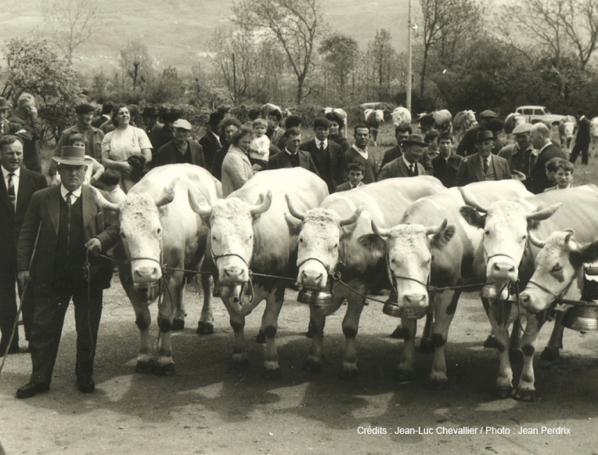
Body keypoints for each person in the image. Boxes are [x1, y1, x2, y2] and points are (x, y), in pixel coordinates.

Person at [15, 146, 119, 398]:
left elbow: (115, 227)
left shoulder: (98, 196)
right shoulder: (42, 197)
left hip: (88, 275)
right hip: (51, 275)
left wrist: (101, 240)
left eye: (79, 169)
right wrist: (24, 267)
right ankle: (39, 379)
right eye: (69, 168)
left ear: (85, 172)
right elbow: (27, 234)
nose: (74, 174)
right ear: (59, 170)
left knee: (87, 329)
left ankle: (85, 375)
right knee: (43, 329)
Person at [0, 136, 46, 356]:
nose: (15, 157)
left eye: (19, 153)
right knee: (4, 295)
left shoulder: (37, 180)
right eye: (10, 153)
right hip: (1, 249)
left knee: (29, 292)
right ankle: (9, 340)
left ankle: (33, 338)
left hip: (28, 248)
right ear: (1, 154)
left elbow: (43, 218)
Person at [101, 104, 153, 193]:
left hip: (135, 175)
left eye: (126, 112)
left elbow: (148, 156)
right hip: (116, 179)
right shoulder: (108, 136)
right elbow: (105, 161)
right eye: (121, 113)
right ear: (115, 117)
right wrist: (121, 165)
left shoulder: (139, 133)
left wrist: (134, 166)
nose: (124, 115)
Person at [300, 117, 343, 193]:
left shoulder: (337, 148)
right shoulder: (305, 147)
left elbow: (340, 170)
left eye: (326, 129)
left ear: (329, 130)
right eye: (320, 129)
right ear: (314, 130)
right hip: (312, 187)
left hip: (332, 188)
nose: (323, 132)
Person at [526, 122, 566, 194]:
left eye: (531, 137)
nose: (529, 140)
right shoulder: (556, 150)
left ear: (540, 138)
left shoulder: (546, 156)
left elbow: (540, 183)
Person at [9, 93, 42, 173]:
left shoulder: (26, 117)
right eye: (33, 106)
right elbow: (36, 134)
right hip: (26, 160)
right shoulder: (16, 121)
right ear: (28, 108)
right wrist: (34, 117)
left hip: (32, 158)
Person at [221, 127, 254, 197]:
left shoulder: (241, 153)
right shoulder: (234, 157)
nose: (247, 145)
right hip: (234, 201)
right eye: (244, 142)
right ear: (237, 141)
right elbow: (241, 183)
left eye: (249, 142)